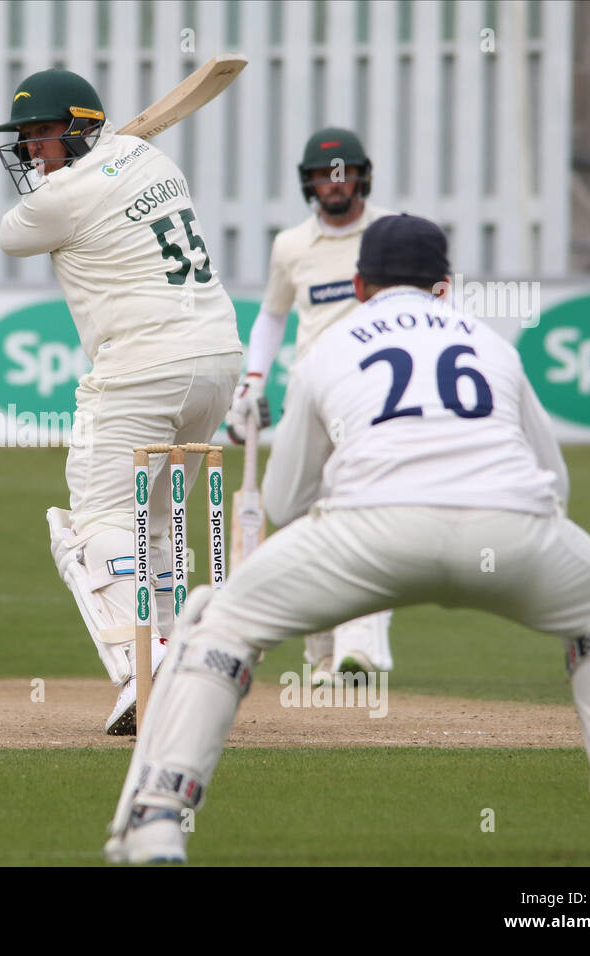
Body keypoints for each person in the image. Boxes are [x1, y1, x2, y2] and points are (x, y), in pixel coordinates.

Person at [105, 214, 590, 864]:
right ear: (445, 285)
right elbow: (554, 478)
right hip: (514, 528)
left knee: (218, 622)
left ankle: (158, 819)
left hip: (369, 534)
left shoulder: (329, 347)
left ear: (358, 284)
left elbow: (286, 500)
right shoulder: (490, 342)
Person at [0, 69, 243, 735]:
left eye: (43, 135)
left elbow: (10, 235)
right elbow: (94, 182)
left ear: (81, 126)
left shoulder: (58, 200)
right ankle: (173, 665)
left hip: (144, 363)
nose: (30, 151)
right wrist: (84, 164)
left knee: (88, 527)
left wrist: (70, 180)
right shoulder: (151, 155)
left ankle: (144, 669)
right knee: (155, 522)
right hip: (218, 356)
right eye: (24, 139)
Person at [228, 127, 398, 685]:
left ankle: (360, 651)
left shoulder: (392, 233)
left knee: (362, 513)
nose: (335, 183)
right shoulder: (290, 246)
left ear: (362, 176)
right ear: (309, 183)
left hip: (374, 396)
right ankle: (325, 654)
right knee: (298, 517)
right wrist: (252, 381)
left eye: (344, 172)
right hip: (310, 395)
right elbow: (274, 314)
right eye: (324, 175)